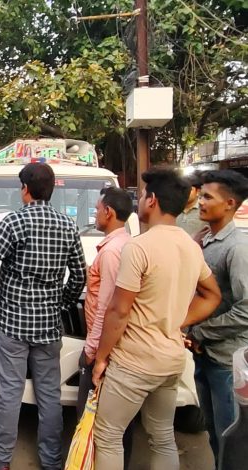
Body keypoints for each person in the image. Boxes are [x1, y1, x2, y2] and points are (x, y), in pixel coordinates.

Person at [92, 168, 221, 470]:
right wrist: (175, 320)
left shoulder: (139, 247)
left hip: (135, 362)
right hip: (170, 360)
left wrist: (101, 358)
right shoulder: (190, 246)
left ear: (152, 201)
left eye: (142, 195)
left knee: (108, 436)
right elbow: (212, 295)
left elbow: (119, 311)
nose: (138, 201)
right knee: (162, 436)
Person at [0, 162, 87, 470]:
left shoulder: (14, 222)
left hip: (13, 325)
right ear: (50, 190)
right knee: (49, 396)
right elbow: (79, 276)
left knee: (9, 393)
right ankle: (51, 461)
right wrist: (61, 303)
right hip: (49, 326)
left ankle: (1, 459)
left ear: (25, 190)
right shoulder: (68, 225)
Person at [187, 170, 248, 465]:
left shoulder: (236, 248)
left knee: (228, 438)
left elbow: (246, 310)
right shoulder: (207, 241)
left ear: (229, 203)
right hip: (205, 356)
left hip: (226, 360)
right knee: (212, 433)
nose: (200, 202)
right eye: (201, 196)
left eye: (208, 197)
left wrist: (200, 332)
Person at [76, 187, 134, 467]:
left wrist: (92, 351)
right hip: (117, 345)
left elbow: (108, 307)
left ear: (109, 212)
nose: (95, 214)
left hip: (103, 346)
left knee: (92, 416)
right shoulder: (126, 244)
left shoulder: (111, 252)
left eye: (97, 209)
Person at [177, 172, 208, 236]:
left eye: (189, 189)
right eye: (181, 189)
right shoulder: (173, 208)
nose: (184, 192)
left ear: (198, 191)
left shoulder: (205, 209)